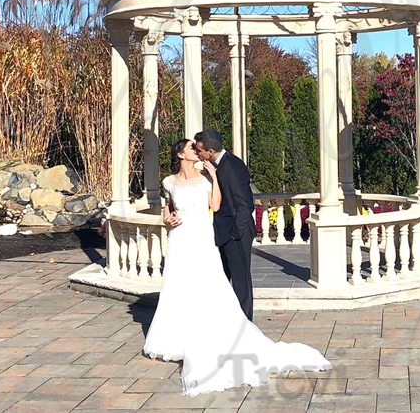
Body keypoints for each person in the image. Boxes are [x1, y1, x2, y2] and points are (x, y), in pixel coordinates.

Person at [142, 139, 331, 395]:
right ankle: (175, 338)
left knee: (208, 286)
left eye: (196, 148)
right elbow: (167, 211)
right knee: (178, 286)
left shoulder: (205, 177)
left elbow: (216, 205)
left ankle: (213, 336)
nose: (195, 152)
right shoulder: (169, 182)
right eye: (190, 149)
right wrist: (168, 219)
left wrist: (213, 176)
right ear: (180, 154)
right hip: (180, 239)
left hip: (201, 239)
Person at [193, 129, 255, 320]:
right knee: (224, 278)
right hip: (224, 233)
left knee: (240, 280)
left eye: (199, 151)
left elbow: (245, 204)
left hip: (236, 234)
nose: (197, 154)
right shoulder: (216, 166)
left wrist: (238, 233)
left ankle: (245, 323)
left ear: (210, 152)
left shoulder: (232, 166)